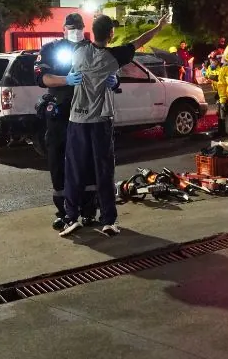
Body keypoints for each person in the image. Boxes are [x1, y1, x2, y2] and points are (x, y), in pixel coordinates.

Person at [61, 14, 169, 237]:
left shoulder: (78, 52)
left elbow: (70, 40)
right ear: (111, 34)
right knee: (104, 171)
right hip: (100, 121)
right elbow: (140, 41)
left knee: (74, 171)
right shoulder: (114, 57)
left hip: (77, 120)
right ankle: (108, 220)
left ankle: (70, 218)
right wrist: (159, 27)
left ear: (91, 32)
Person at [35, 13, 98, 231]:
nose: (75, 31)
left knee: (89, 163)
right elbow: (42, 78)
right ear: (63, 29)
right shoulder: (51, 50)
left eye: (79, 27)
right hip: (60, 116)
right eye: (71, 27)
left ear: (84, 28)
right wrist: (66, 80)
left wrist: (113, 78)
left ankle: (89, 211)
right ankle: (64, 213)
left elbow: (110, 71)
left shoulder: (92, 48)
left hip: (88, 113)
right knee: (58, 164)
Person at [202, 52, 227, 137]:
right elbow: (207, 75)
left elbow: (220, 78)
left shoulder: (224, 67)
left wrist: (212, 77)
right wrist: (206, 74)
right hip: (218, 92)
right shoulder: (210, 67)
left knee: (223, 111)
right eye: (211, 60)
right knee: (220, 112)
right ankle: (222, 131)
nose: (212, 62)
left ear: (218, 60)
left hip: (226, 92)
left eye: (213, 60)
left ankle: (225, 131)